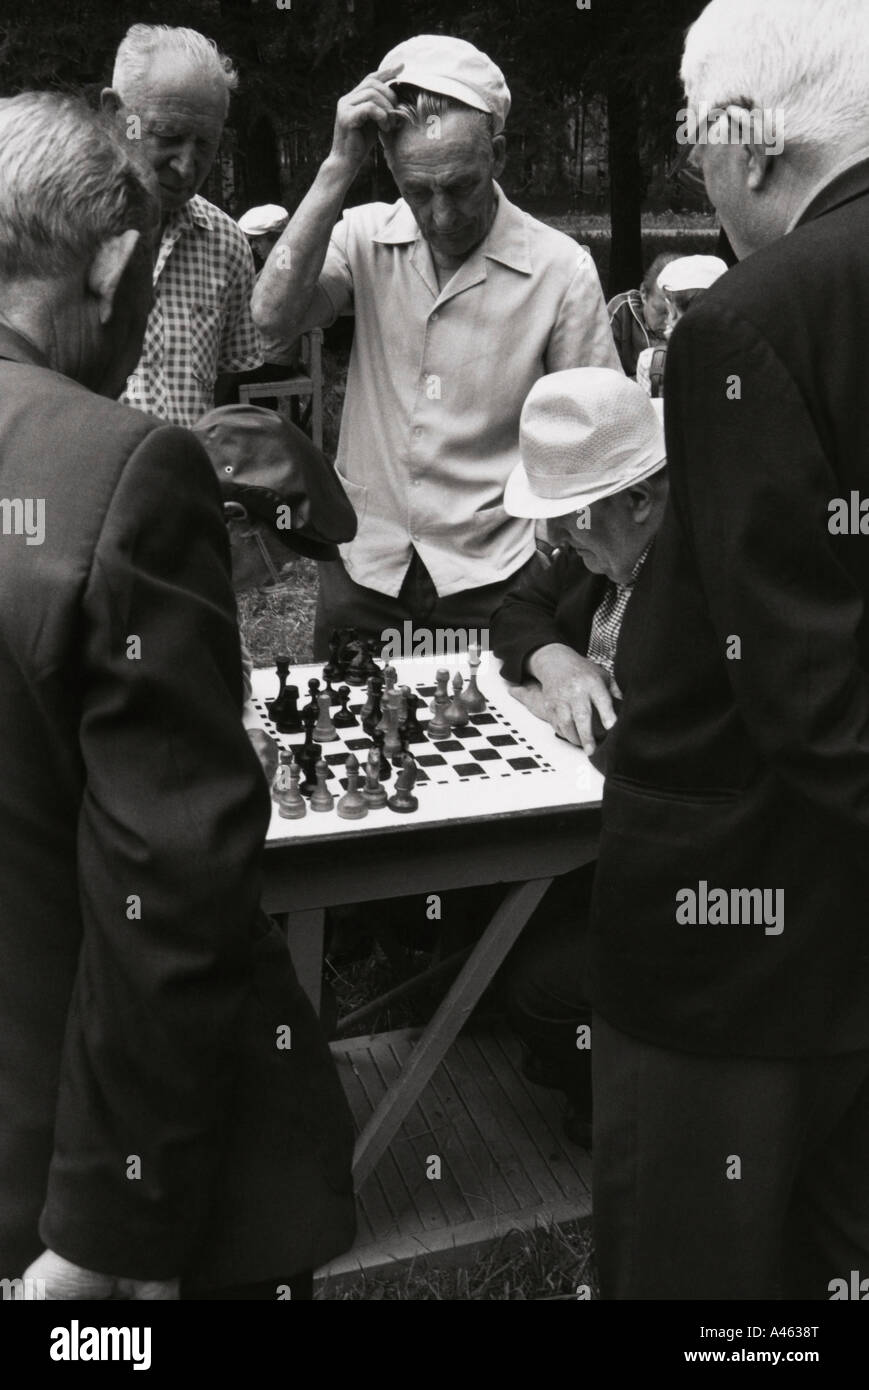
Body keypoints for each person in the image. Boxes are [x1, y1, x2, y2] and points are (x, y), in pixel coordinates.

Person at [0, 92, 354, 1300]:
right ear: (108, 267)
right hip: (100, 1179)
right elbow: (174, 878)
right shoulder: (122, 466)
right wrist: (112, 1230)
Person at [587, 0, 869, 1300]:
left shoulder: (752, 317)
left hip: (745, 960)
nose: (698, 167)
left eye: (700, 138)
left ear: (751, 140)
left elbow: (806, 699)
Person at [252, 34, 621, 660]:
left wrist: (549, 552)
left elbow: (593, 441)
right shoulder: (363, 237)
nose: (442, 215)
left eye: (460, 187)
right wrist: (337, 167)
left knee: (488, 745)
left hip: (497, 574)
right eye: (418, 191)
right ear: (389, 168)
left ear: (497, 156)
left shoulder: (560, 270)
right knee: (349, 740)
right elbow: (271, 318)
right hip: (366, 562)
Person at [489, 369, 668, 1145]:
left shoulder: (700, 581)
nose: (554, 538)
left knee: (537, 982)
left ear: (642, 498)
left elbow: (665, 748)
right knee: (484, 914)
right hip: (603, 829)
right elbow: (514, 608)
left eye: (572, 518)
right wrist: (557, 659)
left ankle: (618, 1118)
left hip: (691, 867)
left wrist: (566, 721)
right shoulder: (599, 541)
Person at [102, 23, 263, 428]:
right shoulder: (52, 232)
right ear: (116, 115)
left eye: (206, 143)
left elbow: (227, 379)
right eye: (167, 134)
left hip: (182, 485)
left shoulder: (225, 244)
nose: (187, 166)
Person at [634, 253, 727, 395]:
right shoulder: (743, 361)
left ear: (672, 312)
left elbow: (654, 414)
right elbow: (735, 399)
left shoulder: (652, 364)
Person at [606, 252, 677, 377]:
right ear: (644, 294)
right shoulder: (621, 312)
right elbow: (603, 372)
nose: (669, 321)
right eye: (662, 312)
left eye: (676, 313)